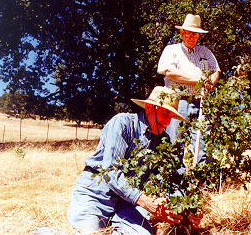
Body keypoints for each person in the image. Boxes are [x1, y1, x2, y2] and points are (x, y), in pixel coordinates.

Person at [67, 86, 202, 234]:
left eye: (171, 116)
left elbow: (173, 180)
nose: (167, 122)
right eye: (164, 114)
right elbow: (110, 171)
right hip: (95, 195)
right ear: (150, 107)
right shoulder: (122, 123)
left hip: (127, 205)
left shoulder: (164, 142)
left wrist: (186, 208)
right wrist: (144, 200)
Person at [157, 13, 221, 164]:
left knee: (203, 142)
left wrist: (209, 84)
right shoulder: (171, 50)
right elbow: (170, 73)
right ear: (182, 33)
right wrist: (198, 81)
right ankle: (175, 183)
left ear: (199, 35)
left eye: (195, 34)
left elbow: (216, 70)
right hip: (176, 103)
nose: (191, 37)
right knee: (174, 143)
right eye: (188, 33)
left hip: (200, 102)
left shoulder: (205, 52)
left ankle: (202, 183)